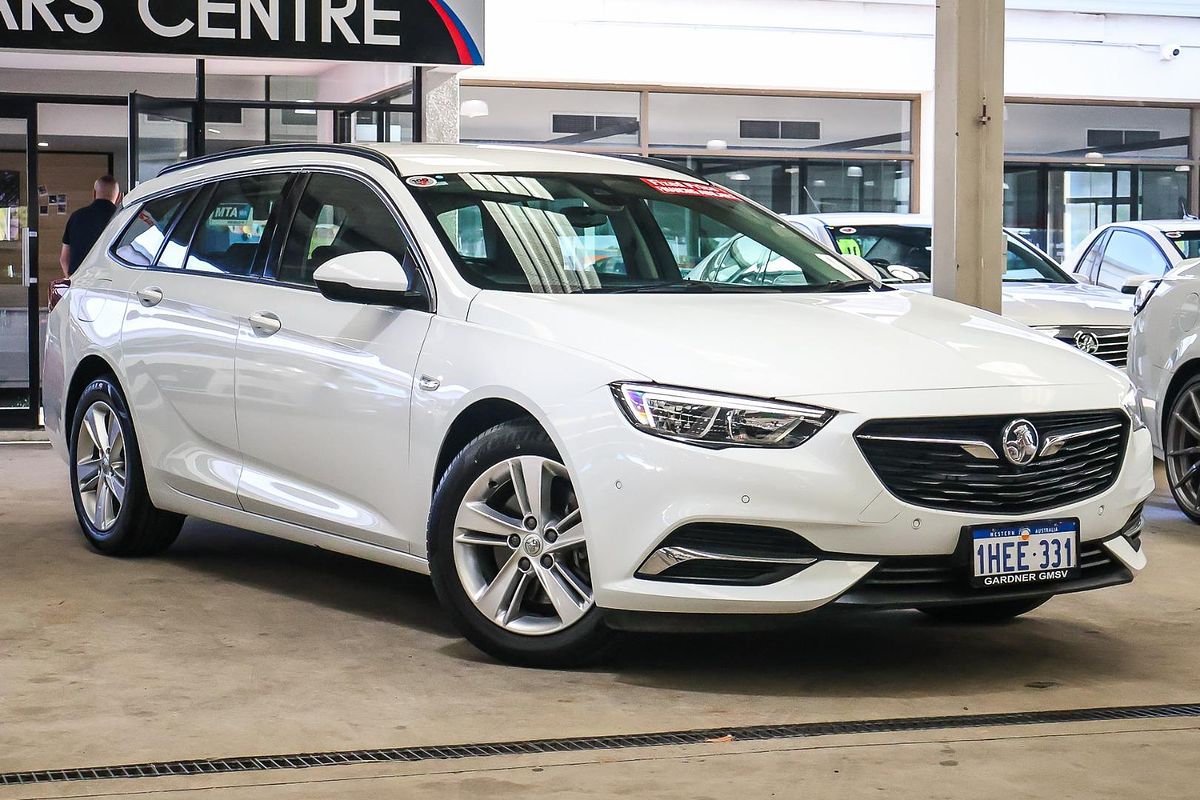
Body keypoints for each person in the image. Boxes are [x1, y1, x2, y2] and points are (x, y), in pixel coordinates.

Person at [60, 175, 121, 278]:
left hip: (80, 280)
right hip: (110, 281)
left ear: (94, 193)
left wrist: (71, 280)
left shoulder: (76, 217)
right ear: (119, 197)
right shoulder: (121, 218)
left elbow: (64, 258)